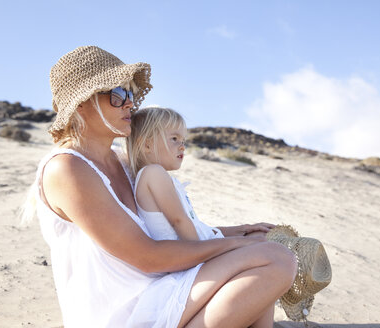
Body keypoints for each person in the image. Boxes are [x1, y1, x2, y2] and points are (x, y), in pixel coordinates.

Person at [26, 45, 297, 328]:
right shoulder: (67, 169)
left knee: (265, 267)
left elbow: (164, 228)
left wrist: (237, 231)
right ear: (81, 103)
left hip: (160, 291)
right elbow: (148, 256)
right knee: (276, 260)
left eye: (130, 94)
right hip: (123, 314)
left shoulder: (124, 163)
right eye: (117, 95)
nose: (130, 103)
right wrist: (234, 245)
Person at [127, 106, 226, 241]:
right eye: (174, 138)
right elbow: (179, 221)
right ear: (147, 145)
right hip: (193, 256)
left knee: (258, 236)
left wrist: (241, 229)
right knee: (262, 250)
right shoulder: (154, 172)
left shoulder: (157, 175)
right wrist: (205, 252)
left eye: (183, 141)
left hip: (198, 248)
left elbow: (197, 227)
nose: (182, 146)